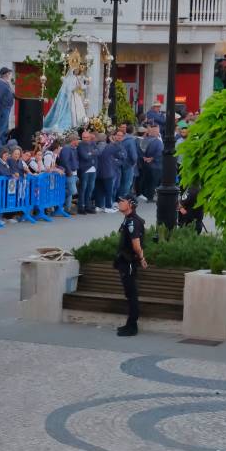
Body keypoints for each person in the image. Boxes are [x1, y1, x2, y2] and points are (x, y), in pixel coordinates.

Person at [114, 195, 148, 337]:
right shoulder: (128, 219)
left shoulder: (133, 221)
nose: (119, 203)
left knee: (132, 294)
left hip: (128, 262)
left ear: (130, 204)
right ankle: (129, 324)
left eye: (122, 201)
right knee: (129, 294)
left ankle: (132, 326)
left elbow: (136, 245)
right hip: (125, 261)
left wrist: (141, 258)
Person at [96, 131, 124, 213]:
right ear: (106, 139)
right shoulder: (108, 147)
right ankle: (108, 207)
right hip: (107, 171)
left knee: (99, 190)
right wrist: (113, 141)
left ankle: (99, 206)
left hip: (98, 172)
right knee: (109, 190)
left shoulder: (96, 147)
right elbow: (119, 148)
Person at [76, 129, 100, 214]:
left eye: (86, 137)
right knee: (83, 188)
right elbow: (85, 156)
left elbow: (98, 152)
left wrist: (90, 153)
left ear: (90, 137)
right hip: (85, 169)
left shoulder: (93, 143)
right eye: (83, 137)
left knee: (90, 188)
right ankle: (81, 207)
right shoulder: (80, 145)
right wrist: (92, 153)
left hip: (93, 168)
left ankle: (88, 206)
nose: (85, 139)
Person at [140, 123, 163, 201]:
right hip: (156, 165)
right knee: (153, 182)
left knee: (147, 180)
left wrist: (144, 158)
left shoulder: (144, 140)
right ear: (156, 132)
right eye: (157, 132)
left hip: (145, 164)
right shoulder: (158, 142)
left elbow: (140, 150)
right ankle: (150, 197)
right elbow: (160, 153)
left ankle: (145, 194)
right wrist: (152, 158)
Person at [58, 134, 79, 212]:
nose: (78, 141)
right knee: (73, 191)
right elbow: (65, 161)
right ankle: (58, 195)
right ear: (73, 140)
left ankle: (67, 208)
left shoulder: (73, 148)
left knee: (70, 191)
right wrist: (69, 171)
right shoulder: (66, 148)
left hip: (74, 172)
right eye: (77, 140)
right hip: (69, 173)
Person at [0, 67, 15, 142]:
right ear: (5, 74)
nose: (9, 74)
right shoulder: (1, 83)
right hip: (3, 107)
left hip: (6, 107)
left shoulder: (5, 83)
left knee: (5, 126)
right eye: (8, 73)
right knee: (2, 126)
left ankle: (3, 142)